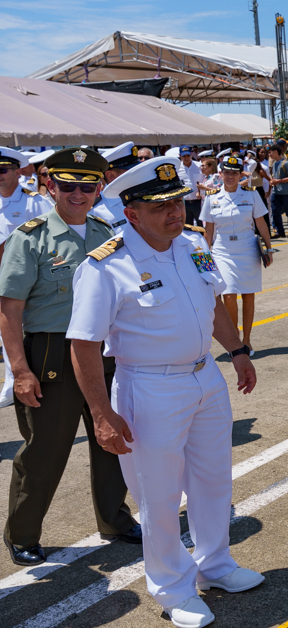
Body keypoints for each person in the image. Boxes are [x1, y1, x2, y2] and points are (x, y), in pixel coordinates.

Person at [67, 157, 262, 628]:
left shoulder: (192, 243)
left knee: (213, 479)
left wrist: (236, 349)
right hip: (149, 386)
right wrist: (100, 412)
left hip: (205, 378)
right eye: (160, 207)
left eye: (177, 202)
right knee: (157, 495)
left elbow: (212, 304)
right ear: (131, 213)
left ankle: (215, 565)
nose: (174, 213)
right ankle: (173, 588)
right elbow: (83, 343)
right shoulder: (107, 265)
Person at [0, 148, 140, 566]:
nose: (77, 194)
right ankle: (23, 534)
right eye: (67, 186)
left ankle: (114, 519)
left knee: (114, 439)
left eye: (86, 186)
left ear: (98, 189)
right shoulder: (31, 237)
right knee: (45, 450)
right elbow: (9, 308)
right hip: (50, 354)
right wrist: (19, 370)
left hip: (103, 350)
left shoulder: (106, 231)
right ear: (50, 186)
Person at [201, 156, 273, 357]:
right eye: (227, 172)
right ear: (220, 174)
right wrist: (205, 262)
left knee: (248, 295)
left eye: (234, 173)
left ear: (240, 174)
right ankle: (234, 339)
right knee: (228, 295)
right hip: (222, 250)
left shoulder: (251, 196)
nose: (230, 176)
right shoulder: (211, 197)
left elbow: (261, 223)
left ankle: (247, 340)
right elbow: (208, 231)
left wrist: (269, 248)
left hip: (248, 247)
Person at [0, 147, 54, 409]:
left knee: (21, 329)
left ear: (17, 171)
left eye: (3, 170)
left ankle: (17, 381)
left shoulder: (35, 201)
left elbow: (51, 236)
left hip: (28, 279)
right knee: (5, 332)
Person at [267, 144, 288, 239]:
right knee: (275, 212)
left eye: (270, 152)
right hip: (276, 193)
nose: (269, 155)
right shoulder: (274, 164)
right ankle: (280, 232)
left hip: (287, 193)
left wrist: (278, 181)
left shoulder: (286, 163)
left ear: (276, 152)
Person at [178, 147, 206, 226]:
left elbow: (205, 181)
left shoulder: (199, 166)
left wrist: (202, 193)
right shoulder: (177, 168)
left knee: (202, 226)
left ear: (191, 154)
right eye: (184, 156)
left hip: (199, 202)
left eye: (188, 155)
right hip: (185, 203)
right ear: (180, 155)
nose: (186, 158)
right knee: (187, 227)